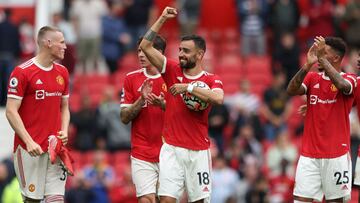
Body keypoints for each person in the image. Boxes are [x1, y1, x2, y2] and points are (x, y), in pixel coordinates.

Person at [140, 7, 224, 203]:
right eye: (179, 50)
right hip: (171, 149)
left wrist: (189, 88)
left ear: (200, 54)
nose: (180, 54)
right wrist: (161, 18)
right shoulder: (171, 69)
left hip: (199, 152)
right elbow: (145, 45)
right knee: (167, 200)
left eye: (186, 51)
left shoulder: (211, 79)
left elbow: (218, 98)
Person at [287, 36, 356, 202]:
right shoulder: (312, 78)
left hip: (337, 155)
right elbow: (291, 90)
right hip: (309, 155)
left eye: (323, 52)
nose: (318, 55)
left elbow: (343, 87)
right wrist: (307, 65)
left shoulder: (350, 79)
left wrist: (322, 60)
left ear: (336, 58)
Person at [5, 26, 70, 203]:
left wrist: (64, 130)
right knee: (31, 200)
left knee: (56, 200)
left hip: (54, 149)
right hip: (29, 150)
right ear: (48, 43)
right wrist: (28, 141)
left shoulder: (62, 72)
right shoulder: (22, 72)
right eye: (62, 42)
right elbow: (11, 111)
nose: (65, 46)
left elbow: (64, 106)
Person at [120, 35, 167, 203]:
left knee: (166, 199)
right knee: (146, 200)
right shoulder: (131, 78)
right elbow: (124, 118)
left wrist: (163, 105)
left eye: (145, 50)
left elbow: (183, 116)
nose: (140, 54)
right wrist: (141, 100)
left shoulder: (172, 77)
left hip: (168, 151)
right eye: (138, 50)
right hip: (142, 151)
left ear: (158, 53)